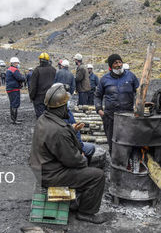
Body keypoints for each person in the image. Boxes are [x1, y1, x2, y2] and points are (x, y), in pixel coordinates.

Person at [29, 83, 108, 224]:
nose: (67, 108)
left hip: (42, 168)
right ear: (60, 107)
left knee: (85, 166)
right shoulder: (58, 131)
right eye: (65, 105)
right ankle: (86, 212)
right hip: (50, 175)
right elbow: (73, 161)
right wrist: (83, 160)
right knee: (97, 176)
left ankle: (76, 198)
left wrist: (71, 130)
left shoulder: (44, 119)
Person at [94, 54, 139, 154]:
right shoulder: (104, 79)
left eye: (120, 62)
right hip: (110, 117)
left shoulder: (130, 76)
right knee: (112, 142)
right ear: (111, 66)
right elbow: (97, 96)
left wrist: (138, 105)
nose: (119, 65)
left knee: (128, 141)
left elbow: (139, 91)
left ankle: (127, 163)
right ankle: (115, 163)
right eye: (115, 63)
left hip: (127, 116)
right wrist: (99, 110)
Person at [29, 52, 56, 118]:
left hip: (39, 97)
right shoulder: (53, 70)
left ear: (40, 60)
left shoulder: (37, 70)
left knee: (41, 117)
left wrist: (32, 96)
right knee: (50, 116)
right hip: (51, 96)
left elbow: (33, 86)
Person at [6, 57, 25, 124]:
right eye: (17, 63)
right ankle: (14, 120)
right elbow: (20, 78)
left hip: (10, 89)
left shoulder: (9, 69)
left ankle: (13, 119)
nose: (18, 64)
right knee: (15, 104)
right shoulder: (14, 70)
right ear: (13, 63)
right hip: (14, 89)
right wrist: (24, 78)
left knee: (12, 104)